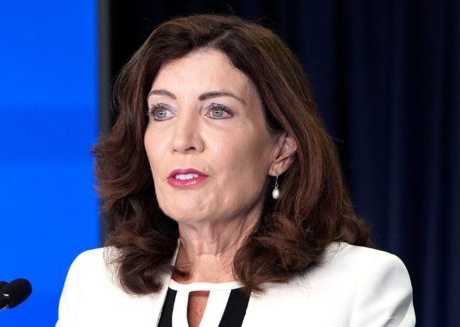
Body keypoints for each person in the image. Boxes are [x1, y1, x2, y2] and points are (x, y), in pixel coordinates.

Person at [56, 14, 415, 326]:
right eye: (162, 112)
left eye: (217, 111)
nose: (182, 140)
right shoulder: (97, 282)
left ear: (281, 147)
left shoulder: (360, 284)